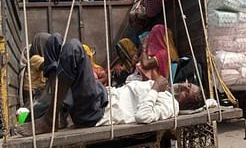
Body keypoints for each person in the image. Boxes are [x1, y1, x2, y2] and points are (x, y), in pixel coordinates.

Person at [17, 33, 203, 136]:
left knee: (74, 47)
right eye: (188, 84)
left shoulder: (171, 105)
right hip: (102, 94)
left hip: (97, 110)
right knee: (52, 41)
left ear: (186, 103)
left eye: (189, 91)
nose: (185, 85)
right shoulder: (163, 89)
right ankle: (57, 111)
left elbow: (143, 116)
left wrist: (155, 88)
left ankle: (49, 119)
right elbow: (129, 89)